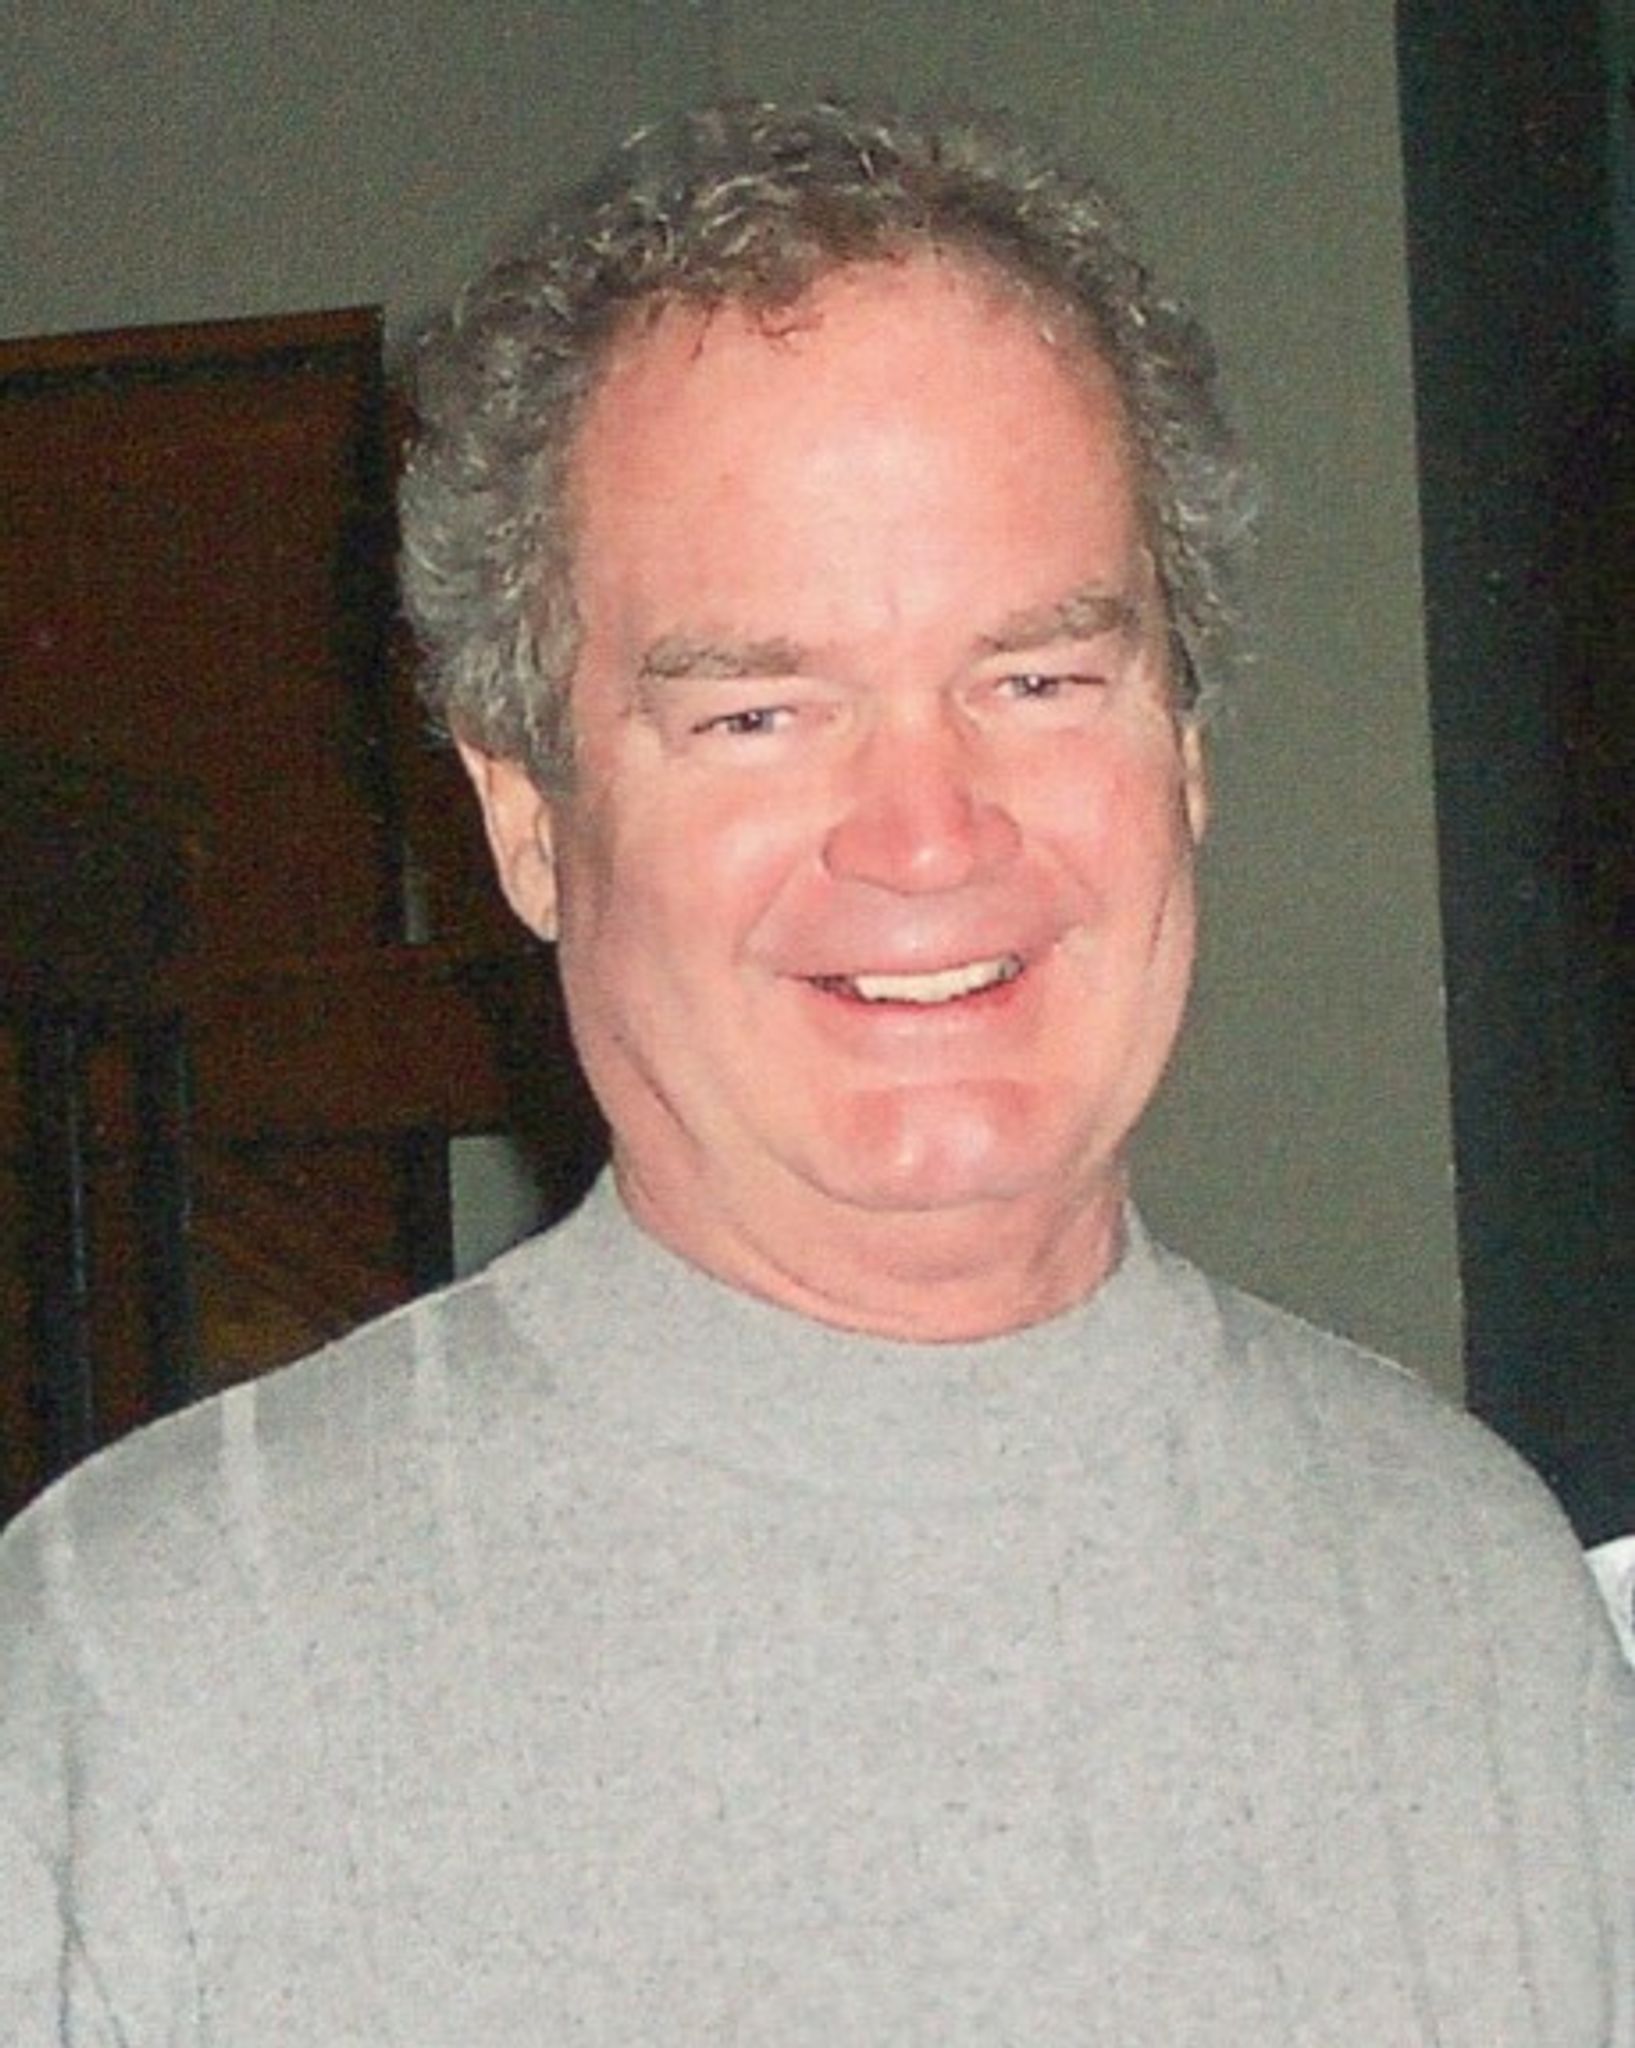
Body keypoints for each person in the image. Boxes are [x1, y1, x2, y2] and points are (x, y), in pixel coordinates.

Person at [2, 100, 1630, 2046]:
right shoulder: (143, 1682)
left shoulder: (1472, 1604)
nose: (927, 834)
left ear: (1184, 748)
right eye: (759, 711)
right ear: (525, 819)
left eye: (1037, 678)